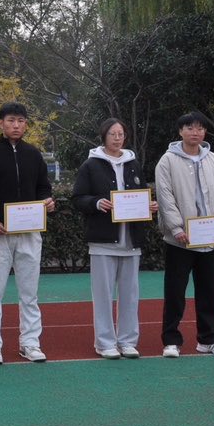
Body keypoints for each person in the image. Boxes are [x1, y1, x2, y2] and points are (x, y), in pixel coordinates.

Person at [0, 102, 56, 365]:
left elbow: (43, 188)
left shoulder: (34, 154)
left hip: (30, 233)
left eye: (20, 120)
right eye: (10, 120)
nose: (16, 125)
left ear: (26, 124)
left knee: (29, 293)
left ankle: (30, 343)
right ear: (1, 123)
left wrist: (47, 202)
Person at [71, 118, 157, 359]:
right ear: (104, 136)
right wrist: (97, 203)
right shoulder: (90, 165)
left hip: (131, 240)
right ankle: (105, 342)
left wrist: (148, 206)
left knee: (130, 295)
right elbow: (78, 198)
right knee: (103, 295)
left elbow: (141, 194)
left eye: (121, 134)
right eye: (113, 134)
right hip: (103, 241)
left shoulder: (133, 164)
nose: (117, 138)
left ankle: (128, 341)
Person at [154, 111, 214, 358]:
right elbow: (165, 197)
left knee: (209, 291)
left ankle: (208, 339)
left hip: (209, 239)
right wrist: (177, 228)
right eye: (189, 128)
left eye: (200, 128)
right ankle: (171, 341)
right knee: (175, 292)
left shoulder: (213, 159)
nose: (195, 132)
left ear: (205, 132)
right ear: (180, 131)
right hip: (180, 241)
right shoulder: (167, 161)